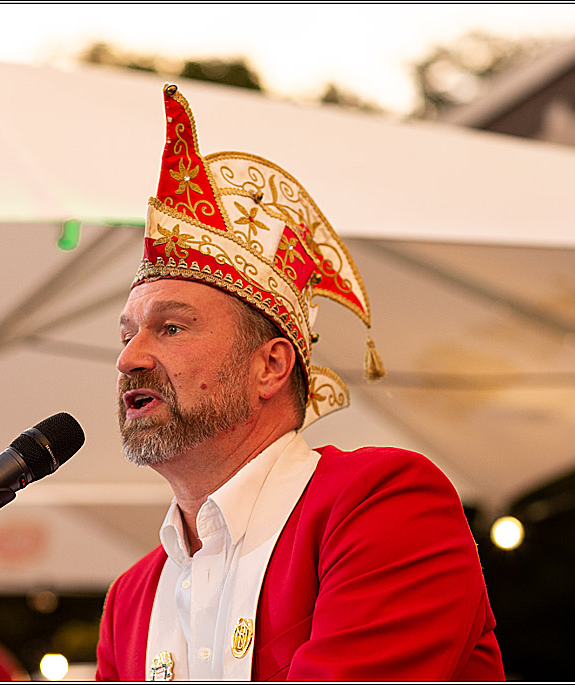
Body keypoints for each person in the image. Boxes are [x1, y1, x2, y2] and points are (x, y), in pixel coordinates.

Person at [94, 84, 504, 681]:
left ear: (271, 366)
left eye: (171, 328)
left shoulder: (381, 502)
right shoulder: (128, 601)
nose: (130, 357)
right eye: (127, 333)